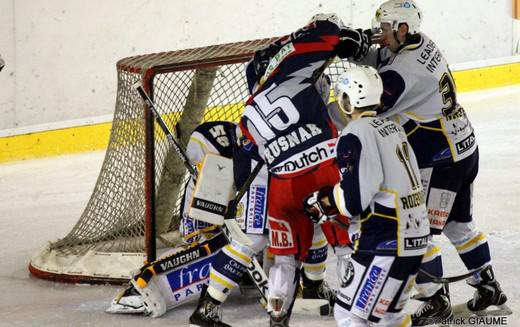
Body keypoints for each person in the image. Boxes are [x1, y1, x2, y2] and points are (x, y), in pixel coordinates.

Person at [351, 1, 508, 325]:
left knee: (416, 229)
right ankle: (488, 286)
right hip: (463, 148)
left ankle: (435, 299)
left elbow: (367, 106)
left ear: (403, 29)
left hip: (440, 160)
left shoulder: (405, 73)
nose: (379, 36)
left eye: (384, 29)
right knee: (458, 224)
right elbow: (385, 56)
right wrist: (361, 45)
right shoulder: (422, 43)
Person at [240, 13, 370, 326]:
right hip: (322, 174)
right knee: (345, 244)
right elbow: (324, 29)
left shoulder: (246, 117)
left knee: (284, 259)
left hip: (283, 190)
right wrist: (344, 36)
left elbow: (252, 161)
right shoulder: (290, 75)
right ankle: (356, 312)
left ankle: (277, 317)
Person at [303, 65, 429, 327]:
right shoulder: (394, 128)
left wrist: (326, 200)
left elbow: (353, 202)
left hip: (385, 240)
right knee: (390, 317)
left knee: (349, 314)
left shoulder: (355, 134)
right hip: (415, 237)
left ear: (348, 100)